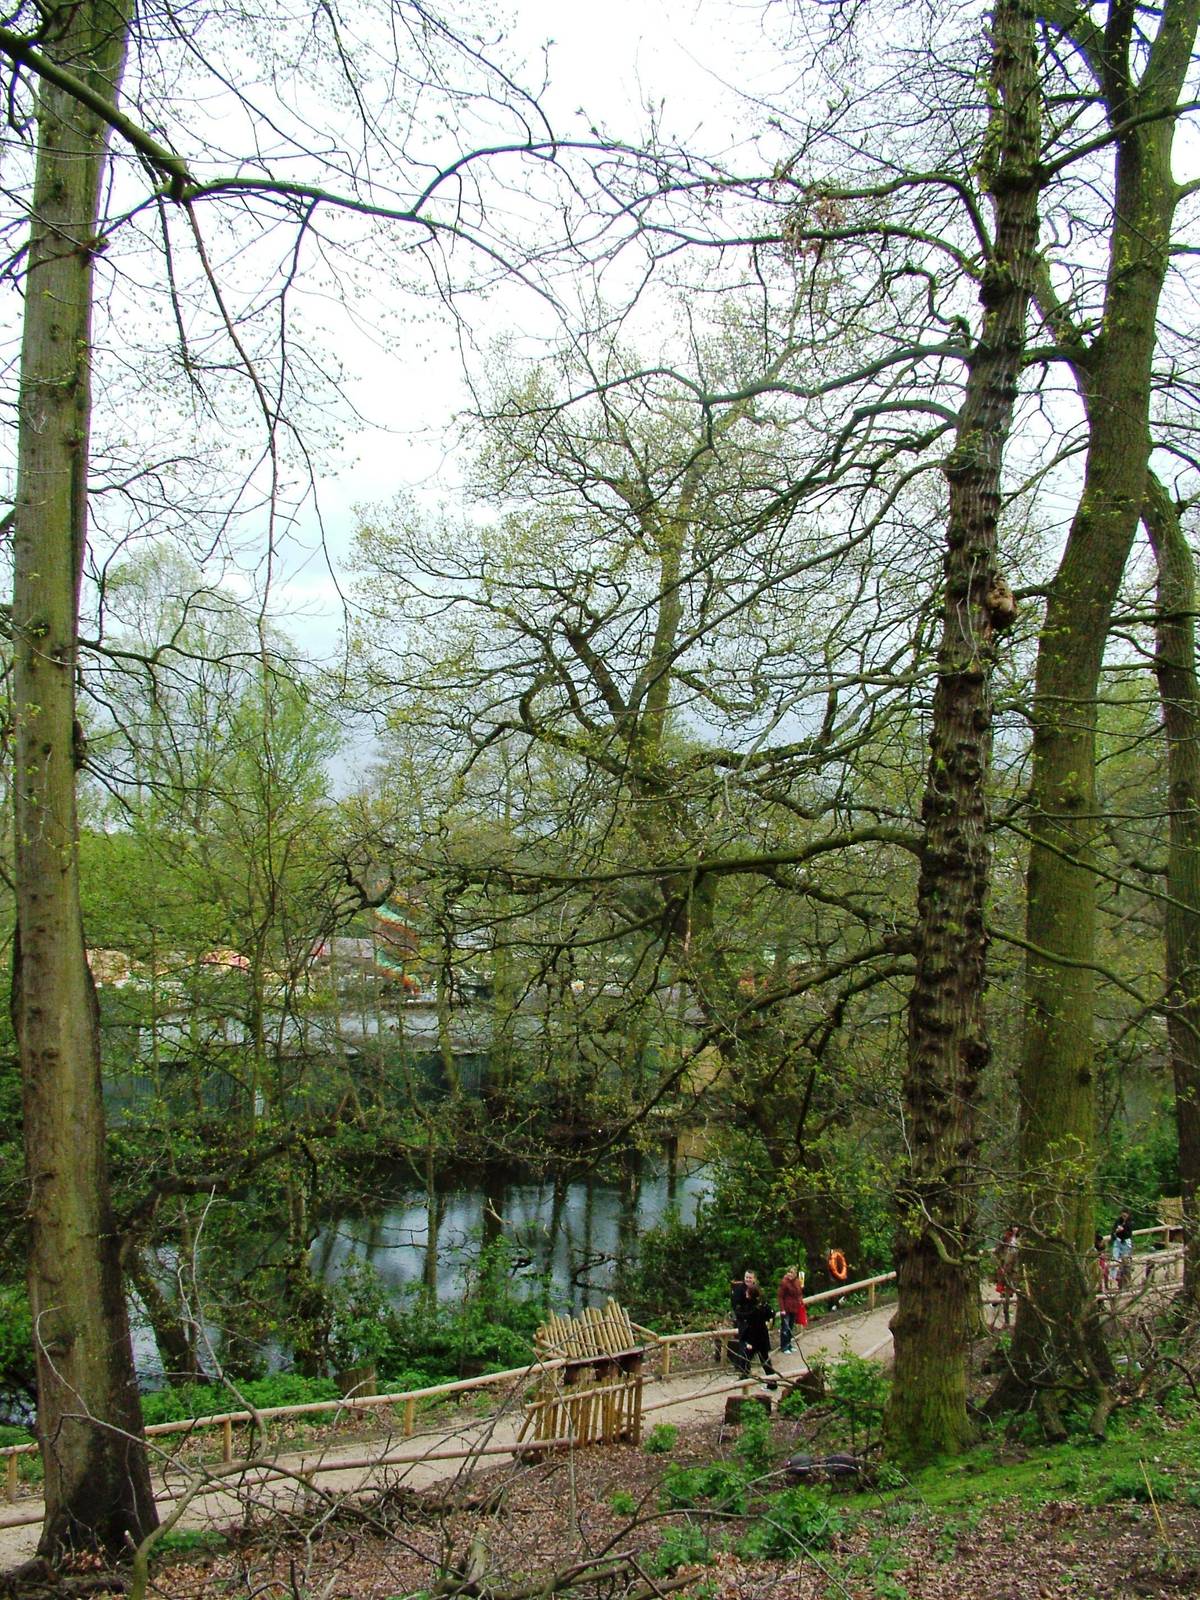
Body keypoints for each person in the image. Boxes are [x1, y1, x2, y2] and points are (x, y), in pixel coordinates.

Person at [730, 1269, 778, 1381]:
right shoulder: (739, 1291)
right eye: (746, 1277)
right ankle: (745, 1376)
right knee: (746, 1357)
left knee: (760, 1358)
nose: (747, 1279)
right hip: (751, 1331)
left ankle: (770, 1381)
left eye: (750, 1278)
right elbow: (737, 1308)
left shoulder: (756, 1308)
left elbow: (766, 1315)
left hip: (755, 1336)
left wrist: (750, 1341)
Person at [993, 1224, 1020, 1326]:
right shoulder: (1004, 1241)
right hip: (1004, 1271)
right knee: (1006, 1294)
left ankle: (1007, 1318)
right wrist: (1001, 1265)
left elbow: (1015, 1258)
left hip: (1012, 1272)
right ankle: (1006, 1320)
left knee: (1010, 1293)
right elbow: (997, 1253)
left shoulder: (1017, 1243)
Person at [777, 1265, 808, 1353]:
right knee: (785, 1328)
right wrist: (782, 1309)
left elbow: (799, 1293)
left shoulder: (797, 1282)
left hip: (794, 1307)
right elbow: (780, 1296)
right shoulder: (784, 1282)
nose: (790, 1274)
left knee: (791, 1326)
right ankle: (784, 1346)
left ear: (795, 1274)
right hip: (786, 1308)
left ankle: (789, 1344)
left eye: (792, 1273)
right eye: (789, 1272)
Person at [1111, 1209, 1135, 1288]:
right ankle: (1113, 1277)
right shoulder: (1118, 1221)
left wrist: (1123, 1230)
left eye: (1125, 1216)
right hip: (1118, 1240)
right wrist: (1115, 1233)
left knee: (1125, 1260)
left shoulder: (1130, 1223)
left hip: (1125, 1241)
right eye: (1122, 1215)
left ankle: (1126, 1281)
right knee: (1115, 1258)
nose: (1123, 1217)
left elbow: (1129, 1234)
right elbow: (1113, 1231)